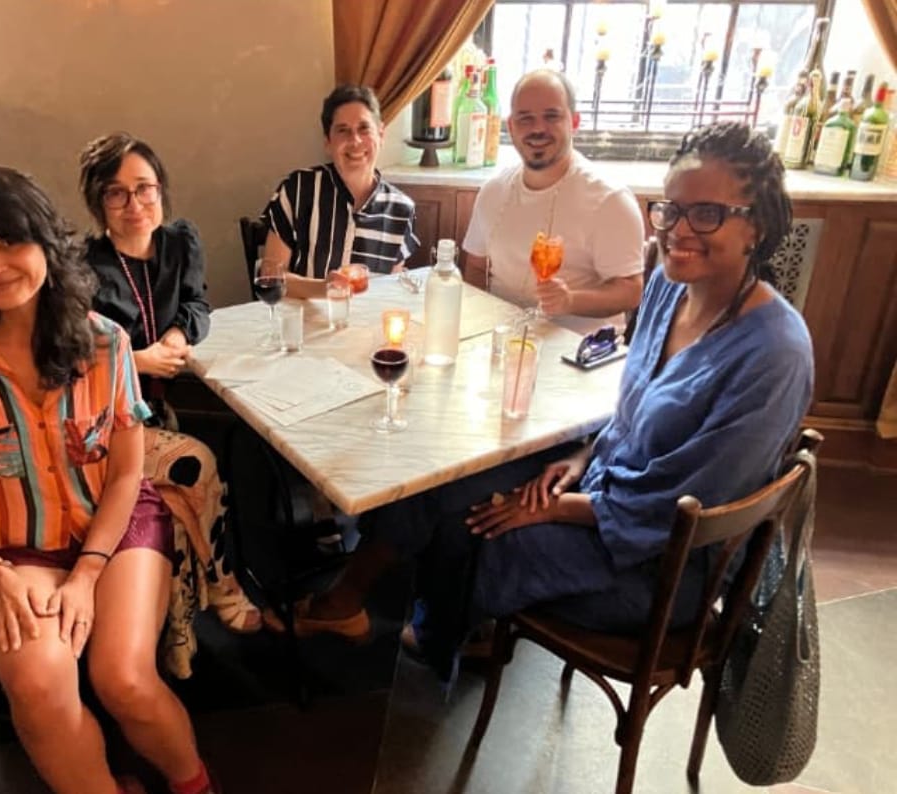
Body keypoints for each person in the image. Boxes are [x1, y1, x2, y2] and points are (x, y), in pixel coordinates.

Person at [289, 122, 815, 679]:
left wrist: (557, 508)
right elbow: (632, 413)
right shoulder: (669, 286)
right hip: (603, 486)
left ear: (757, 224)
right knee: (444, 484)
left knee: (473, 531)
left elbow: (689, 509)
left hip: (659, 568)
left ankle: (444, 632)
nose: (679, 230)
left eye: (706, 214)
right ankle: (381, 612)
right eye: (671, 210)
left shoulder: (774, 354)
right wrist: (579, 459)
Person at [0, 166, 219, 793]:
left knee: (123, 678)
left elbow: (126, 473)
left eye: (10, 242)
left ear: (46, 242)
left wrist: (88, 573)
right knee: (40, 687)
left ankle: (195, 785)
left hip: (115, 529)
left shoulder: (106, 343)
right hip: (14, 551)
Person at [80, 133, 261, 655]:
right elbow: (73, 355)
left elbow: (197, 304)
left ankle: (183, 622)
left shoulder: (180, 242)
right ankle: (223, 588)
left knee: (222, 462)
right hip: (107, 414)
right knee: (194, 468)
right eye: (117, 193)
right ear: (98, 202)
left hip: (158, 406)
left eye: (145, 188)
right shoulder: (83, 267)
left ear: (161, 189)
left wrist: (178, 336)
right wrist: (136, 361)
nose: (135, 204)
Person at [462, 70, 645, 334]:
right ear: (511, 126)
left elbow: (630, 291)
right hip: (501, 340)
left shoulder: (610, 199)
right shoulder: (494, 190)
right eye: (525, 118)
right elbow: (476, 267)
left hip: (579, 348)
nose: (538, 129)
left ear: (574, 122)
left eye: (551, 116)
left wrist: (570, 300)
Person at [261, 85, 419, 299]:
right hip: (303, 317)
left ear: (381, 134)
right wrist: (324, 289)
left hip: (365, 319)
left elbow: (390, 290)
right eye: (343, 130)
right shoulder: (297, 189)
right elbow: (271, 276)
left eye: (364, 128)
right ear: (328, 141)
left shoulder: (401, 210)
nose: (355, 141)